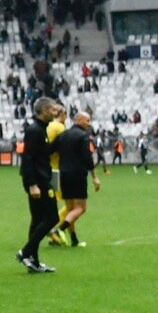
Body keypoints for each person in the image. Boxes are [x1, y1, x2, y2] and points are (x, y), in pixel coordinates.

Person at [17, 96, 60, 273]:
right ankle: (26, 252)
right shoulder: (35, 130)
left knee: (37, 220)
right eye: (52, 109)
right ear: (43, 111)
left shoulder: (40, 129)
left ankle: (33, 261)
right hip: (39, 181)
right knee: (52, 218)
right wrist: (32, 184)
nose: (55, 112)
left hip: (40, 179)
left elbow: (40, 155)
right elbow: (28, 158)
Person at [49, 111, 101, 248]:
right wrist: (95, 177)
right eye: (87, 120)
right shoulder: (83, 136)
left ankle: (74, 240)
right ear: (78, 120)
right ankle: (59, 229)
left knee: (70, 209)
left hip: (63, 174)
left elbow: (50, 150)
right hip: (78, 174)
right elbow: (87, 158)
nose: (88, 124)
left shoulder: (62, 135)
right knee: (81, 208)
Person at [45, 105, 68, 246]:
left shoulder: (48, 126)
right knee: (72, 205)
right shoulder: (60, 128)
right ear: (63, 114)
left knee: (52, 203)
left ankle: (53, 238)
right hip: (57, 170)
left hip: (47, 170)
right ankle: (52, 228)